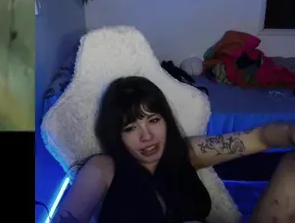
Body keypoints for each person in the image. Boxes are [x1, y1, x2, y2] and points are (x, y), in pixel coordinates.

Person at [51, 75, 295, 223]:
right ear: (117, 134)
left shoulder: (184, 152)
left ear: (166, 120)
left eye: (154, 120)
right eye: (130, 128)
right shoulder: (104, 168)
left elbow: (260, 138)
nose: (146, 136)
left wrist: (289, 132)